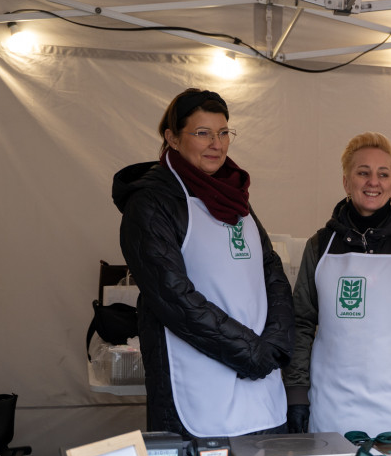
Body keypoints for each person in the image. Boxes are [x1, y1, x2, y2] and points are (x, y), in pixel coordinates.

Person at [112, 88, 293, 438]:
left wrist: (277, 341)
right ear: (172, 138)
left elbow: (272, 272)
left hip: (262, 389)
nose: (217, 143)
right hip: (198, 392)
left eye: (223, 132)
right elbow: (173, 296)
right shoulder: (151, 203)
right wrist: (251, 352)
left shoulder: (234, 196)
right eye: (202, 133)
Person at [285, 132, 391, 438]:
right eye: (363, 172)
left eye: (383, 174)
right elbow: (300, 323)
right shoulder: (320, 246)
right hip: (330, 412)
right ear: (346, 181)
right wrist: (297, 391)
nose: (373, 182)